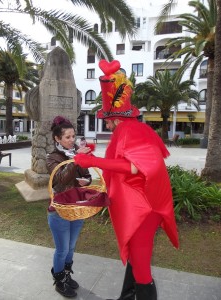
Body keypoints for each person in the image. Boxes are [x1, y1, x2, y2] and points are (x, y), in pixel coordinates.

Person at [74, 60, 179, 300]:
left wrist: (94, 162)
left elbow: (135, 167)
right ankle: (127, 296)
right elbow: (124, 165)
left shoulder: (128, 130)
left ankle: (139, 294)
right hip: (143, 206)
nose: (106, 124)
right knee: (135, 255)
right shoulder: (131, 130)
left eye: (107, 119)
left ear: (114, 118)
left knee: (141, 266)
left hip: (144, 209)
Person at [46, 116, 92, 298]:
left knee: (71, 248)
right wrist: (76, 160)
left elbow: (87, 175)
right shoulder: (52, 158)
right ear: (57, 138)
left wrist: (86, 180)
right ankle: (59, 281)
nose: (72, 140)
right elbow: (60, 180)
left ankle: (65, 274)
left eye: (73, 136)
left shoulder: (76, 154)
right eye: (67, 137)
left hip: (77, 207)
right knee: (62, 249)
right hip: (59, 210)